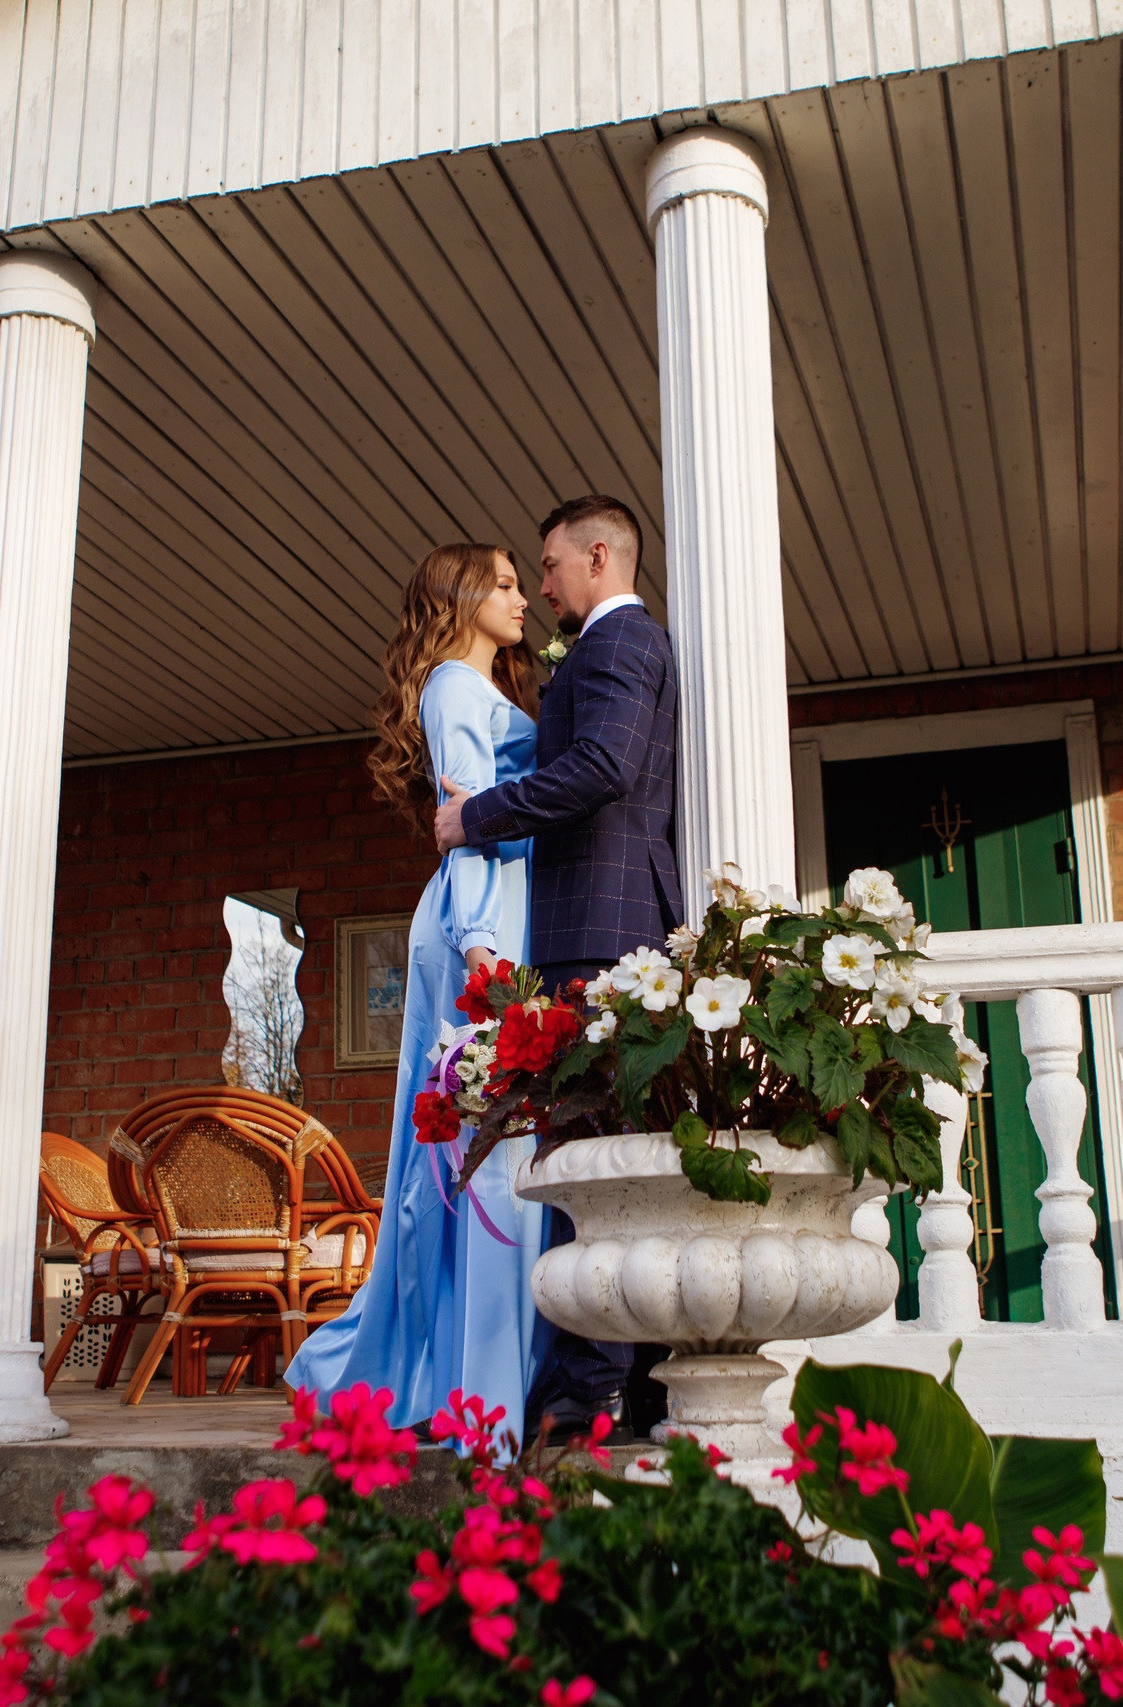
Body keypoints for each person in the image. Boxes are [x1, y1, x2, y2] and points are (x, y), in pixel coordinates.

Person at [284, 543, 551, 1439]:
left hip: (505, 910)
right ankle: (474, 1397)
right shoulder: (452, 688)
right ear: (462, 595)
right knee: (482, 1152)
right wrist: (484, 949)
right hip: (482, 921)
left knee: (497, 1145)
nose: (523, 600)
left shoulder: (487, 691)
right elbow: (467, 822)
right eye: (507, 585)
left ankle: (471, 1381)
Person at [435, 494, 679, 1444]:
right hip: (610, 921)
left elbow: (604, 768)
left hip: (599, 927)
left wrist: (478, 816)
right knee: (609, 1152)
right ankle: (626, 1373)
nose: (541, 586)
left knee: (595, 1160)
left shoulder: (620, 644)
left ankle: (596, 1385)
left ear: (600, 556)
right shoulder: (622, 648)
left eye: (548, 566)